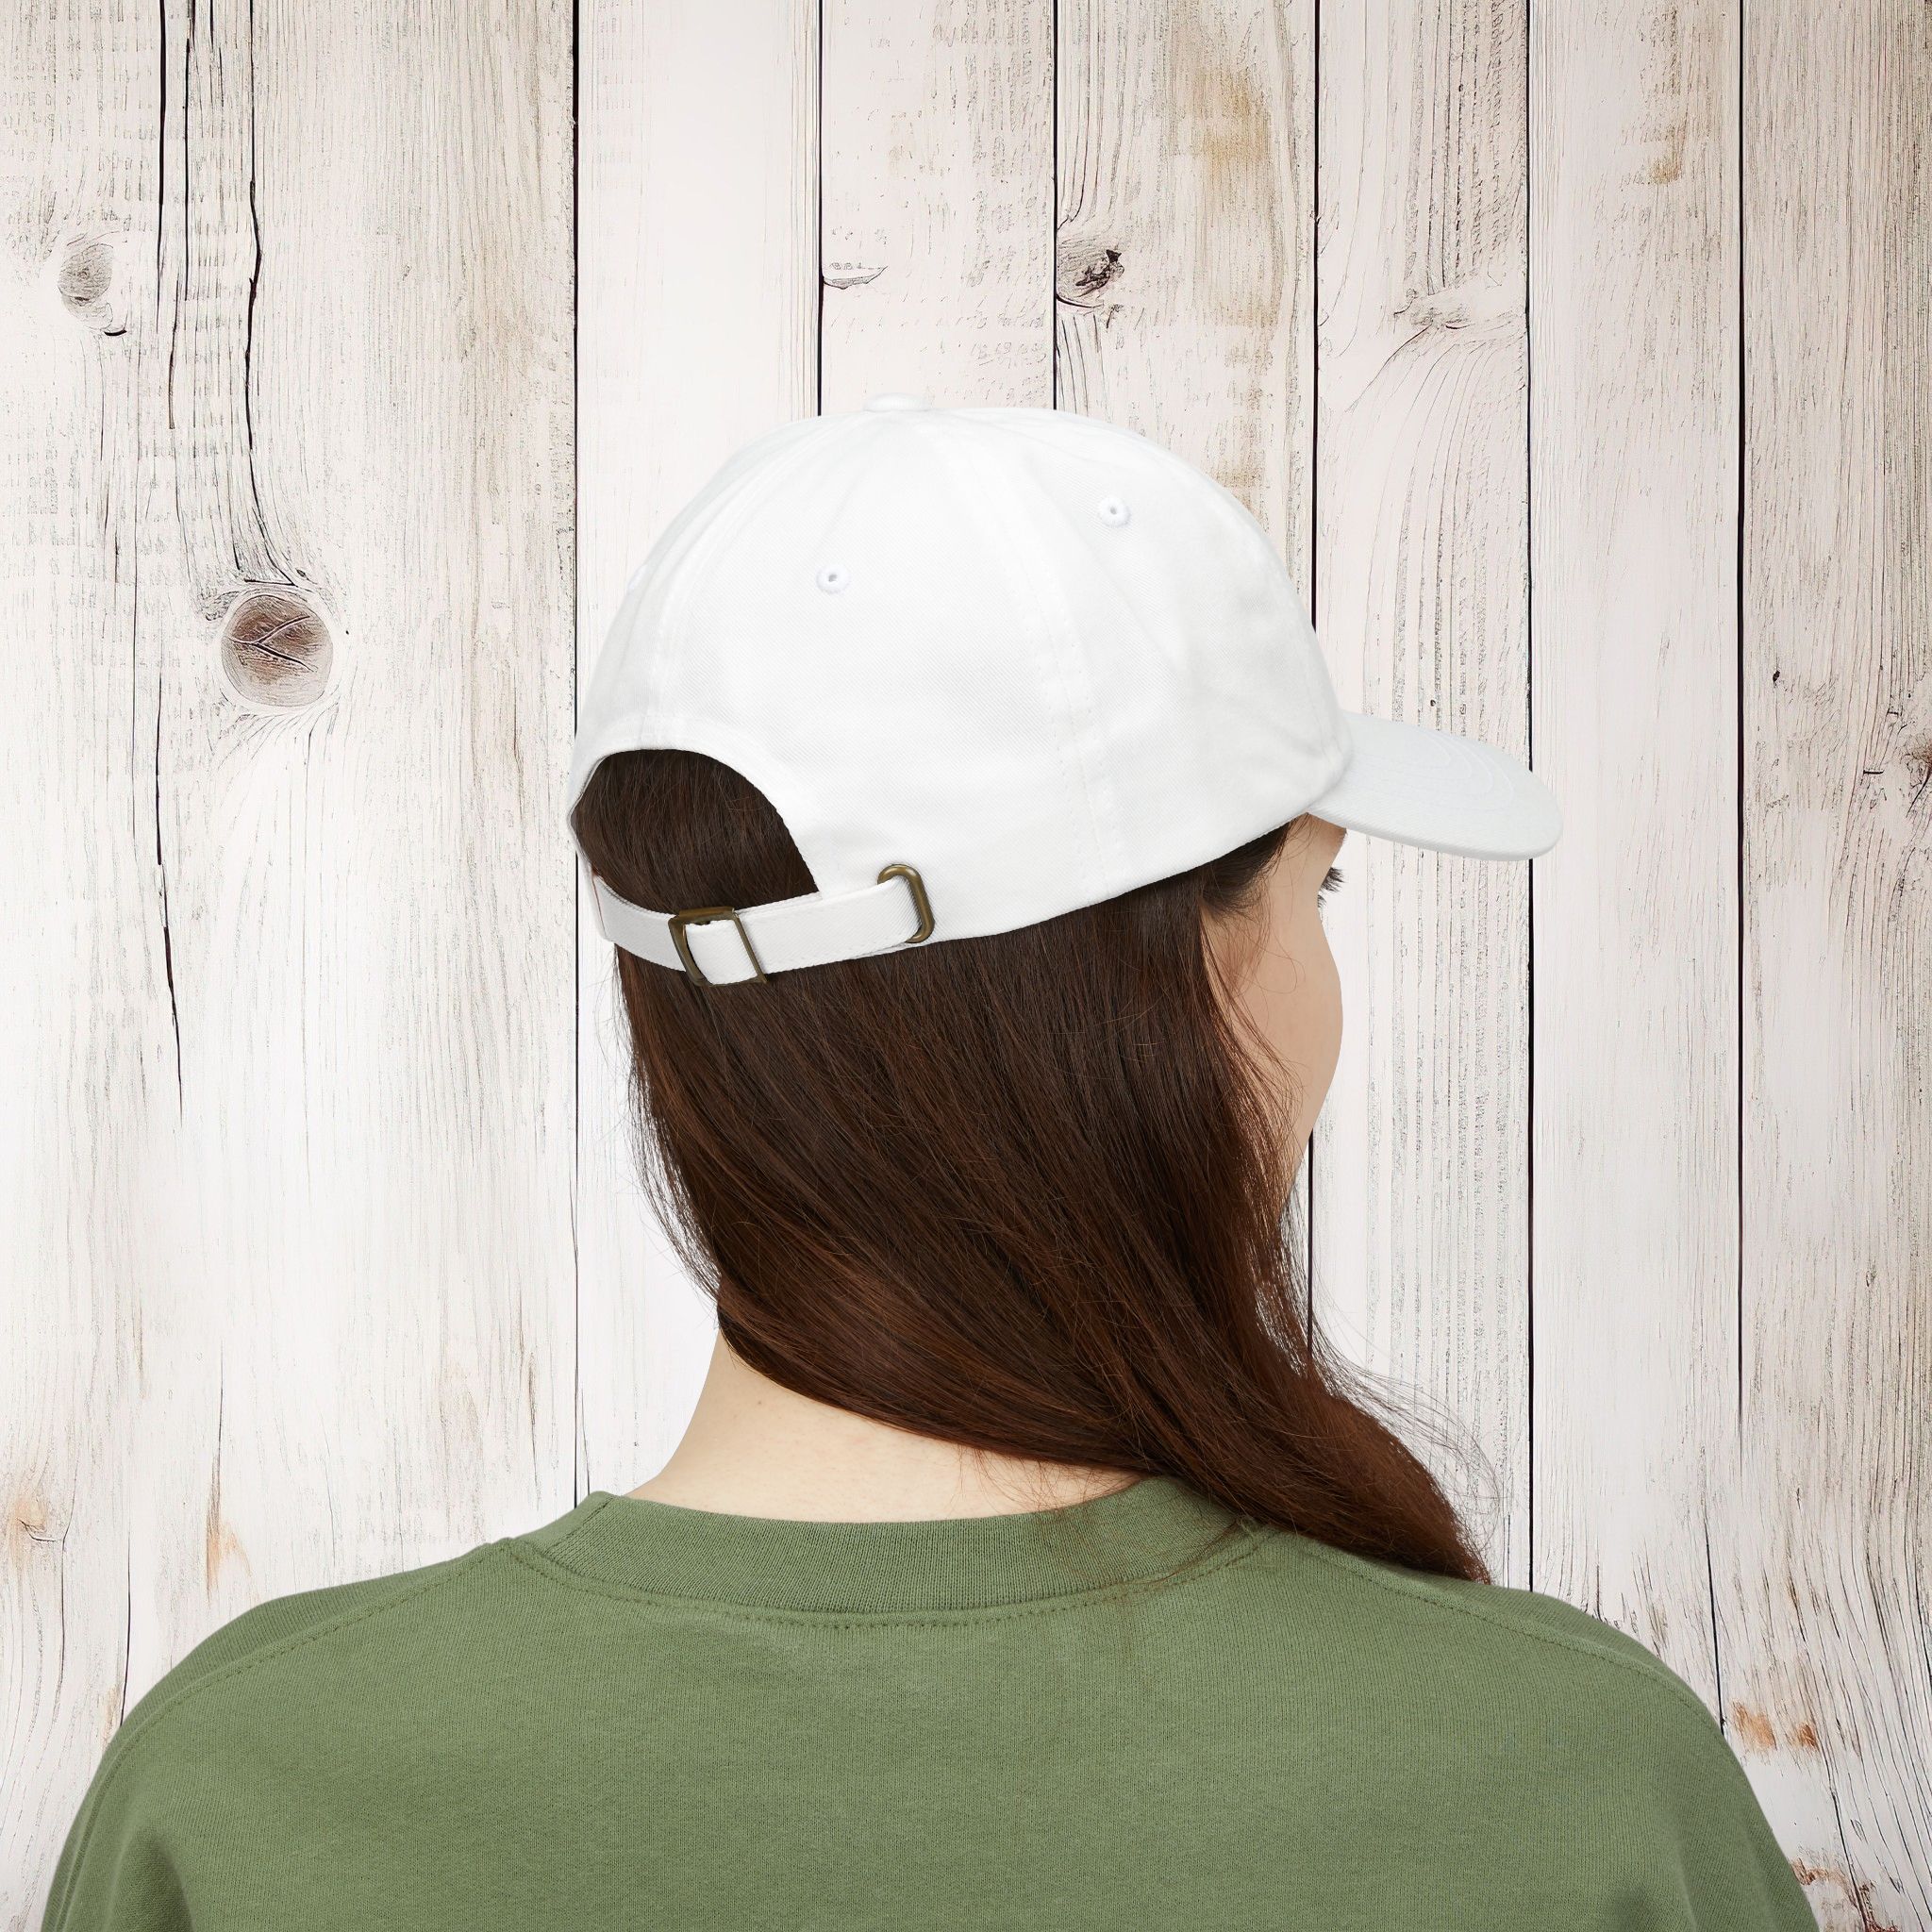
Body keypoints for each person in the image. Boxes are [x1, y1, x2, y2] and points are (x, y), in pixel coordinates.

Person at [42, 399, 1816, 1929]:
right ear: (1187, 982)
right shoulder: (1575, 1785)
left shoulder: (246, 1791)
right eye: (1317, 886)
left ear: (671, 985)